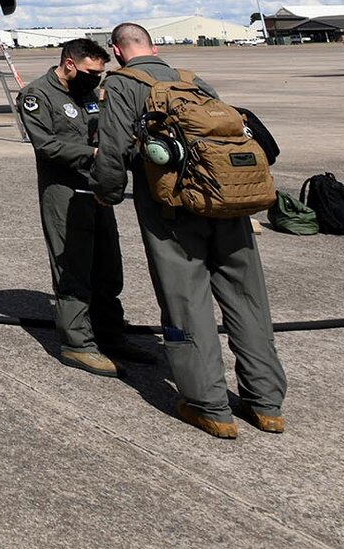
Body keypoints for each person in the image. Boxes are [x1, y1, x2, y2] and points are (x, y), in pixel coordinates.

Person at [91, 22, 288, 437]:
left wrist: (106, 193)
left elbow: (111, 150)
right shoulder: (193, 81)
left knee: (187, 302)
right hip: (229, 203)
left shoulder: (122, 86)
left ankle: (209, 407)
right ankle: (266, 404)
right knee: (249, 301)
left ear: (117, 51)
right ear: (155, 46)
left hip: (172, 210)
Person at [17, 37, 155, 375]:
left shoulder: (91, 93)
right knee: (73, 266)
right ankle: (77, 344)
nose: (96, 78)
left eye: (100, 72)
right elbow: (46, 145)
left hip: (97, 186)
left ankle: (110, 334)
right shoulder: (37, 96)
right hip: (63, 190)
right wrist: (96, 154)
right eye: (91, 71)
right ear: (69, 65)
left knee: (108, 265)